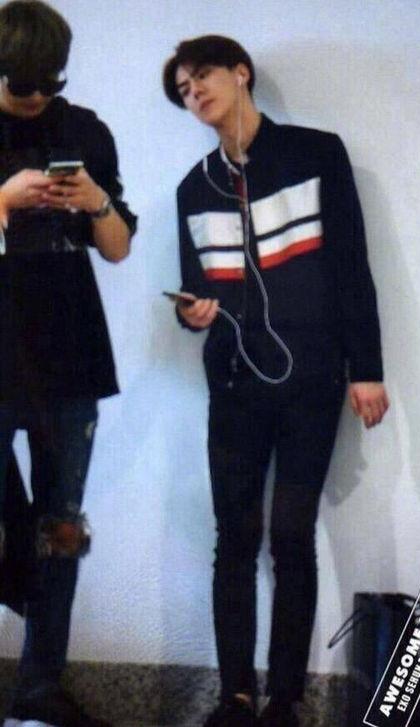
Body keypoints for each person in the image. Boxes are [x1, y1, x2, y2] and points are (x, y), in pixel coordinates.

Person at [163, 35, 389, 727]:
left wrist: (367, 369)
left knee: (291, 536)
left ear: (241, 72)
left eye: (202, 76)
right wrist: (192, 314)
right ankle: (234, 695)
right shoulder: (193, 188)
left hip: (313, 380)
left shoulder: (316, 154)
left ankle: (285, 699)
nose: (194, 93)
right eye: (182, 90)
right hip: (236, 386)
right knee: (234, 538)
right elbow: (198, 293)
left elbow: (350, 265)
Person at [0, 1, 137, 725]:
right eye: (21, 84)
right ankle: (21, 583)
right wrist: (3, 199)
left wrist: (96, 201)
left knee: (61, 524)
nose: (35, 97)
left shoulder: (84, 130)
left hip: (69, 353)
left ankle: (40, 690)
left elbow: (117, 248)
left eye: (48, 83)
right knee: (28, 535)